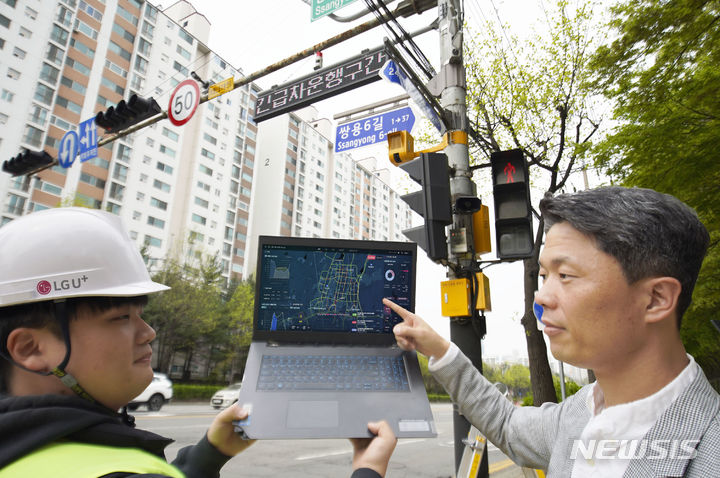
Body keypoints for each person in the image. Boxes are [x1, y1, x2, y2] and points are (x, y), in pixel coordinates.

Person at [0, 207, 396, 478]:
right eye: (121, 317)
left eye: (141, 314)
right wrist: (367, 468)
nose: (148, 332)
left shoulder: (29, 445)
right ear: (31, 348)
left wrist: (211, 451)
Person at [387, 186, 719, 477]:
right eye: (544, 276)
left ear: (656, 299)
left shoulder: (709, 450)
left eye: (566, 276)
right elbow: (506, 424)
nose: (541, 297)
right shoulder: (578, 412)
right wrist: (439, 350)